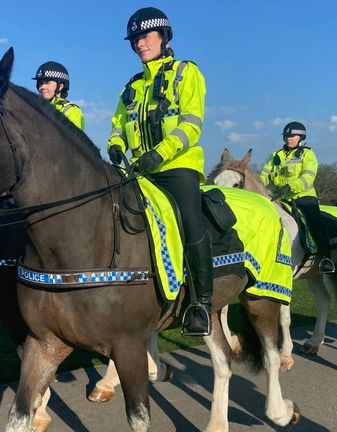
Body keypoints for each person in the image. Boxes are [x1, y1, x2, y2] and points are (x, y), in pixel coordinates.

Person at [107, 7, 211, 336]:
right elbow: (118, 124)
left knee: (190, 220)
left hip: (177, 166)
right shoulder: (132, 87)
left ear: (164, 37)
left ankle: (201, 303)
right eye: (135, 39)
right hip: (140, 172)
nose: (139, 44)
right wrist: (114, 144)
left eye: (145, 36)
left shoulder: (186, 72)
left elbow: (191, 124)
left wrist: (160, 153)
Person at [259, 121, 336, 273]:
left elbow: (308, 175)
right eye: (287, 136)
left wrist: (291, 186)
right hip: (282, 198)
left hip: (303, 197)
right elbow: (264, 175)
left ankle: (327, 259)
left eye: (292, 136)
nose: (289, 138)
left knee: (316, 223)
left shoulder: (307, 153)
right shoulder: (276, 156)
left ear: (300, 137)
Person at [32, 61, 84, 130]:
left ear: (60, 86)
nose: (42, 87)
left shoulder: (71, 110)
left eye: (47, 82)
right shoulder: (35, 108)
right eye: (40, 83)